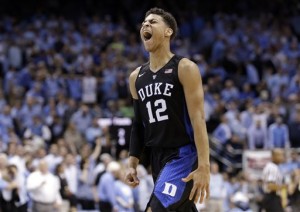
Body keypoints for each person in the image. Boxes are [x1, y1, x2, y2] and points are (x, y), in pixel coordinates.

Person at [124, 7, 210, 211]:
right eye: (144, 22)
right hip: (157, 158)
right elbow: (138, 124)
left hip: (183, 155)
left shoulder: (185, 68)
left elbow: (198, 119)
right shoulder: (136, 77)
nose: (146, 24)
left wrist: (204, 165)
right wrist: (132, 163)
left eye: (153, 22)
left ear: (168, 31)